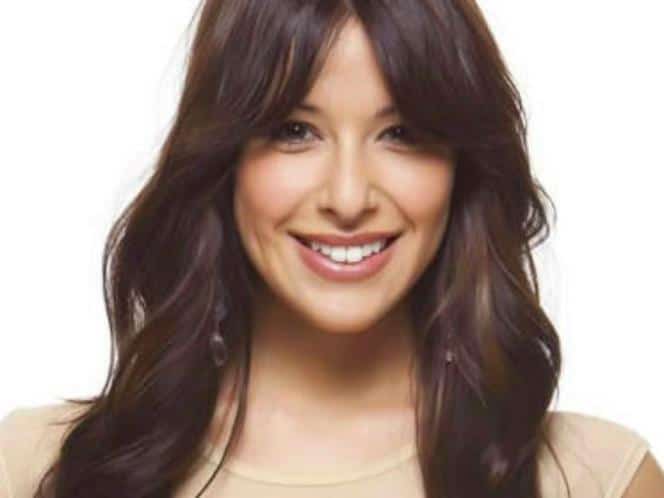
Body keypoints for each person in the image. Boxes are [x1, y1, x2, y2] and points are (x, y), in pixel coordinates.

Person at [1, 1, 662, 497]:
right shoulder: (36, 470)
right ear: (224, 161)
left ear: (462, 168)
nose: (348, 198)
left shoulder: (596, 479)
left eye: (402, 133)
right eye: (294, 130)